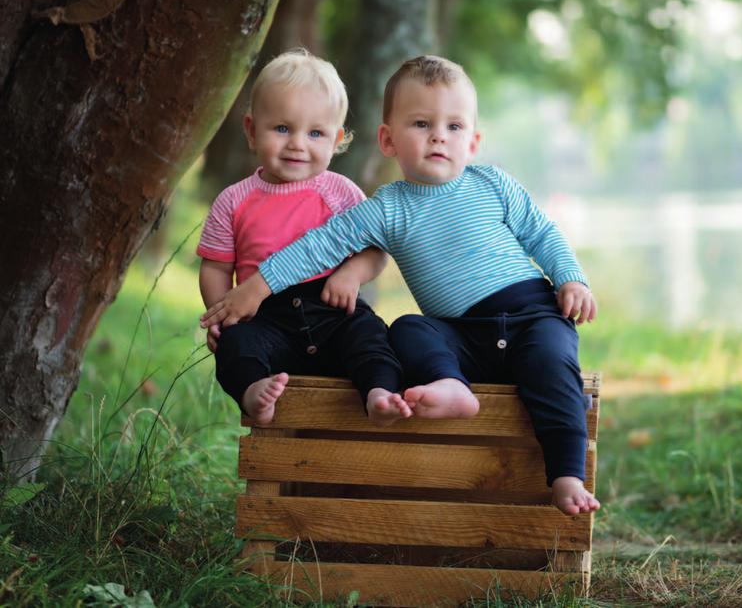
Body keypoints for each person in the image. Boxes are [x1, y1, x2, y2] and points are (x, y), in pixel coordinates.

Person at [201, 55, 599, 516]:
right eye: (421, 123)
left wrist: (571, 277)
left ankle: (567, 475)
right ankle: (451, 386)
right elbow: (320, 245)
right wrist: (258, 286)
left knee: (554, 365)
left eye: (453, 127)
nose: (438, 136)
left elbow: (541, 231)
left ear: (472, 142)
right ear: (388, 139)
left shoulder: (492, 183)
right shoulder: (386, 207)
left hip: (533, 313)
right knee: (409, 328)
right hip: (460, 331)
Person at [197, 48, 411, 427]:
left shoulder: (341, 193)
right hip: (264, 315)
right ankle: (253, 393)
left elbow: (377, 250)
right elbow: (216, 266)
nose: (298, 143)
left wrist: (350, 275)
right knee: (236, 346)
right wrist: (222, 314)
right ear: (251, 130)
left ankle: (378, 391)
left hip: (331, 309)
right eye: (282, 128)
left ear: (337, 139)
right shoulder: (234, 200)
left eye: (315, 133)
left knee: (370, 334)